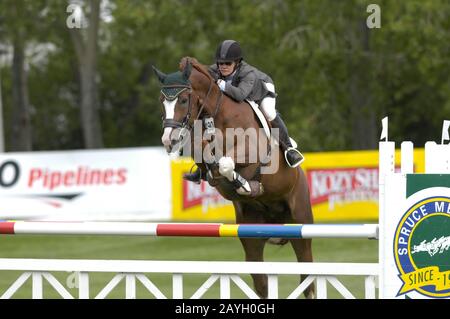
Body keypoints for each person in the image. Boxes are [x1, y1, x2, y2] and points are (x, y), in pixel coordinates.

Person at [184, 40, 304, 184]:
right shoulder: (216, 69)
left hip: (261, 91)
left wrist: (221, 84)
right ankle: (202, 169)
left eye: (227, 63)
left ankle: (288, 149)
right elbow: (203, 76)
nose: (223, 67)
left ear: (237, 62)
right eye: (220, 63)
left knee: (269, 112)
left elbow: (240, 95)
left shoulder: (249, 74)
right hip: (238, 93)